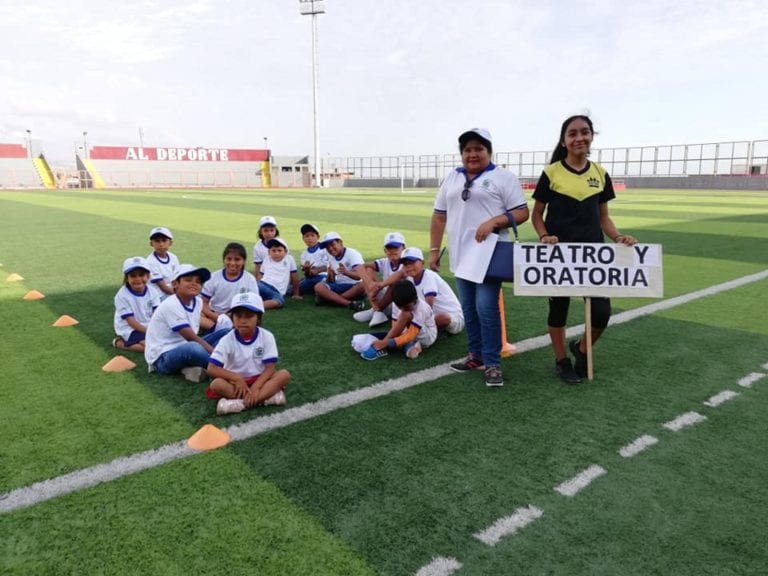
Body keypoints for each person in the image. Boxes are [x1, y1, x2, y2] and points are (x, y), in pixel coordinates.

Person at [532, 114, 637, 384]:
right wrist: (545, 236)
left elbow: (603, 217)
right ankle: (561, 361)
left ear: (591, 136)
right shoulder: (551, 172)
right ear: (564, 141)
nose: (579, 137)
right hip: (559, 255)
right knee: (559, 311)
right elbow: (537, 215)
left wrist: (618, 236)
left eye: (585, 132)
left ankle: (580, 348)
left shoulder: (600, 174)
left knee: (601, 312)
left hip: (593, 257)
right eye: (572, 133)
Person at [430, 128, 529, 387]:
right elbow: (439, 215)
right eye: (467, 150)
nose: (472, 154)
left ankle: (492, 363)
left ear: (489, 151)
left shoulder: (503, 177)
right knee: (469, 308)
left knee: (486, 307)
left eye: (478, 149)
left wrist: (494, 221)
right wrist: (433, 250)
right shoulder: (452, 177)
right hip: (461, 254)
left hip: (489, 253)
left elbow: (521, 212)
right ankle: (475, 355)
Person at [208, 292, 291, 415]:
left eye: (249, 316)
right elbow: (211, 368)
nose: (243, 321)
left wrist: (256, 387)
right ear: (232, 318)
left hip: (261, 379)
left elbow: (270, 368)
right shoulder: (227, 340)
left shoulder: (266, 336)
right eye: (238, 316)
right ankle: (266, 399)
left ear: (258, 318)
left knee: (284, 375)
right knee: (216, 384)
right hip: (236, 384)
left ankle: (240, 404)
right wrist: (236, 378)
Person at [144, 264, 230, 382]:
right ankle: (224, 369)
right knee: (194, 348)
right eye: (188, 280)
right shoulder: (171, 304)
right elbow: (191, 338)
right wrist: (216, 355)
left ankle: (192, 368)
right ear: (175, 284)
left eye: (198, 281)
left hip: (183, 345)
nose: (194, 283)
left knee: (227, 333)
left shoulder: (197, 301)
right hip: (162, 356)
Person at [360, 280, 437, 361]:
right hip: (411, 331)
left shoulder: (422, 308)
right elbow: (395, 326)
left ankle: (383, 345)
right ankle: (411, 346)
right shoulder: (397, 302)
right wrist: (394, 339)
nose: (403, 309)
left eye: (407, 307)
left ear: (415, 301)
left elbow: (411, 334)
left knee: (405, 314)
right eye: (400, 307)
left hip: (427, 336)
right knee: (399, 334)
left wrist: (386, 342)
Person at [398, 247, 464, 335]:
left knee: (443, 318)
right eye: (405, 264)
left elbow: (428, 307)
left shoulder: (429, 276)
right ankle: (426, 330)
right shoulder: (410, 278)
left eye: (412, 262)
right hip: (432, 314)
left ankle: (429, 332)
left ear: (422, 263)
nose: (408, 266)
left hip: (454, 318)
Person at [353, 231, 407, 327]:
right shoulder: (385, 261)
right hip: (388, 301)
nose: (392, 250)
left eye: (396, 247)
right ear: (385, 250)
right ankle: (376, 310)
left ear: (404, 248)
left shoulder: (407, 262)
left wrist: (378, 286)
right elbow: (360, 267)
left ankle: (377, 310)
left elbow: (399, 276)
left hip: (402, 304)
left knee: (396, 284)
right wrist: (370, 285)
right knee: (369, 269)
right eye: (389, 248)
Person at [201, 242, 260, 323]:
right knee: (199, 315)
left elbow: (254, 302)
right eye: (229, 259)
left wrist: (232, 315)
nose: (232, 263)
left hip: (238, 315)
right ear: (223, 259)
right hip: (214, 314)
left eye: (237, 259)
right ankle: (215, 327)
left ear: (244, 261)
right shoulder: (214, 277)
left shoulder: (250, 279)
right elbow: (203, 302)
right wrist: (216, 317)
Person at [113, 256, 160, 352]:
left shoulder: (153, 292)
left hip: (148, 325)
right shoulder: (122, 296)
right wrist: (150, 332)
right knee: (150, 348)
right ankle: (120, 343)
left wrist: (157, 329)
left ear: (148, 276)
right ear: (127, 278)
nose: (138, 279)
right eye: (133, 276)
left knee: (161, 343)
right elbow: (131, 321)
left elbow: (157, 314)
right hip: (129, 328)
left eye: (141, 275)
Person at [313, 231, 366, 310]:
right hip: (340, 284)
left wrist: (347, 272)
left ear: (340, 242)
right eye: (327, 247)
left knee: (364, 285)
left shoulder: (353, 254)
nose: (330, 248)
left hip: (354, 285)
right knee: (318, 287)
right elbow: (331, 281)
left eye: (332, 244)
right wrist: (330, 274)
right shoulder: (331, 256)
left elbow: (360, 276)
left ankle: (332, 300)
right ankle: (349, 303)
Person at [257, 237, 302, 309]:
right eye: (273, 251)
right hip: (262, 284)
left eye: (279, 250)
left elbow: (294, 276)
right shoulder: (267, 258)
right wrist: (255, 285)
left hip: (276, 291)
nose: (276, 253)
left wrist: (296, 293)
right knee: (251, 291)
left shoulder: (289, 259)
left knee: (279, 301)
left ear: (285, 251)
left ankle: (255, 306)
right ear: (269, 252)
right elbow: (261, 275)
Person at [146, 226, 180, 299]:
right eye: (157, 241)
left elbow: (177, 278)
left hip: (172, 292)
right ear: (151, 244)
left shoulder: (173, 257)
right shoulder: (150, 262)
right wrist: (179, 294)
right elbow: (163, 287)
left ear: (170, 243)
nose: (161, 244)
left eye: (164, 240)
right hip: (159, 296)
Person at [298, 223, 329, 295]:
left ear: (318, 237)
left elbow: (331, 265)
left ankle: (321, 292)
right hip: (311, 278)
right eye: (307, 236)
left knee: (322, 282)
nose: (309, 238)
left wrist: (317, 270)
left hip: (325, 276)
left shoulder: (325, 249)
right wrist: (308, 271)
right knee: (297, 287)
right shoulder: (304, 254)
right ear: (303, 239)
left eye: (312, 235)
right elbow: (307, 275)